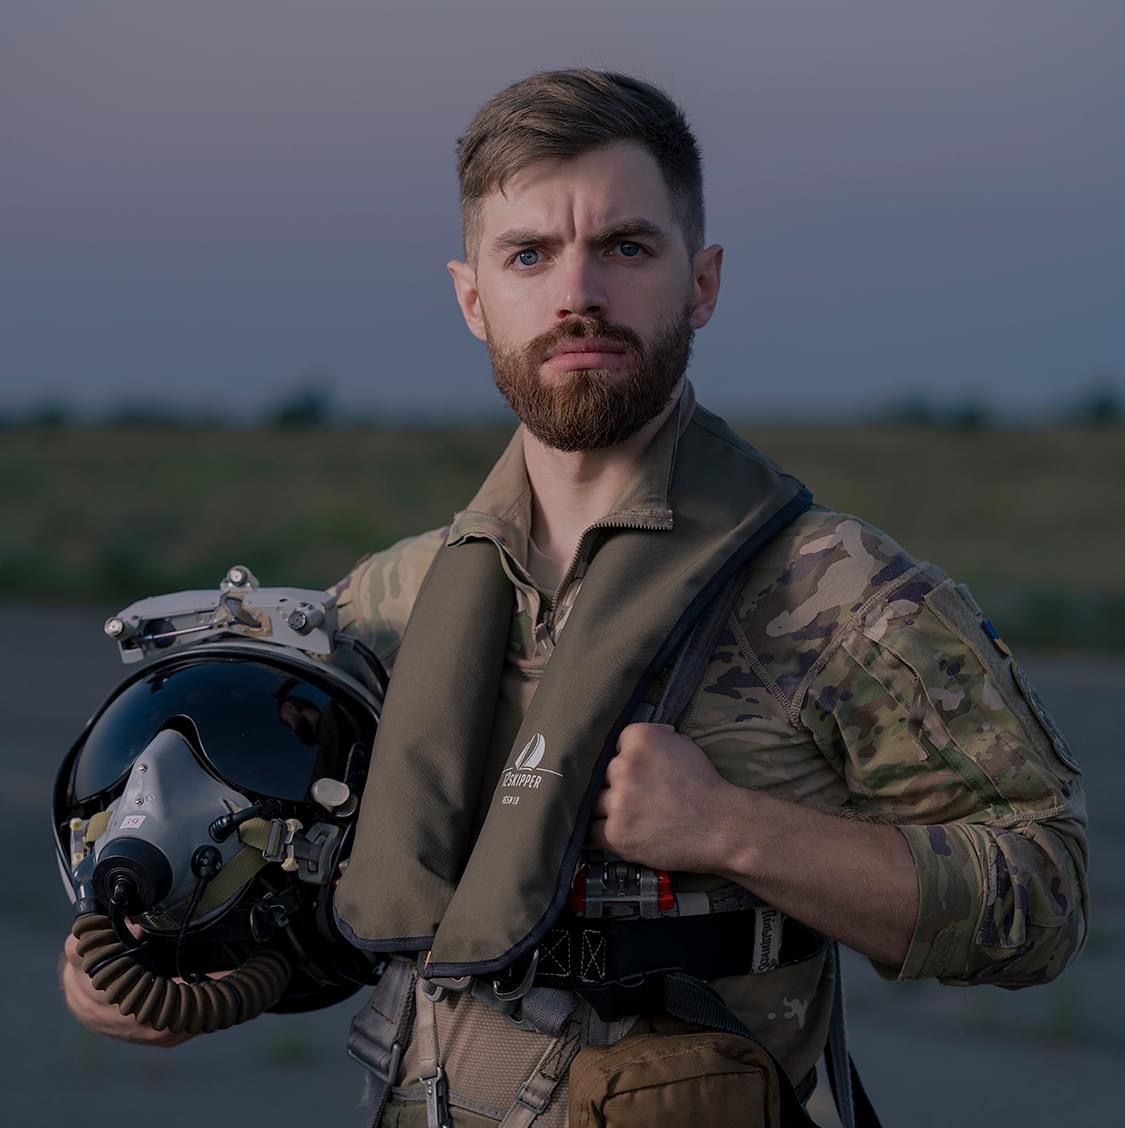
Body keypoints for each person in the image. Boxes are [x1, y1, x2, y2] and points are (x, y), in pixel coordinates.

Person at [61, 69, 1088, 1126]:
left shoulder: (841, 594)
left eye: (627, 247)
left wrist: (735, 830)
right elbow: (319, 889)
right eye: (530, 254)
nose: (577, 293)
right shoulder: (389, 603)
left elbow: (1042, 893)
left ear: (703, 283)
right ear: (473, 298)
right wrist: (147, 964)